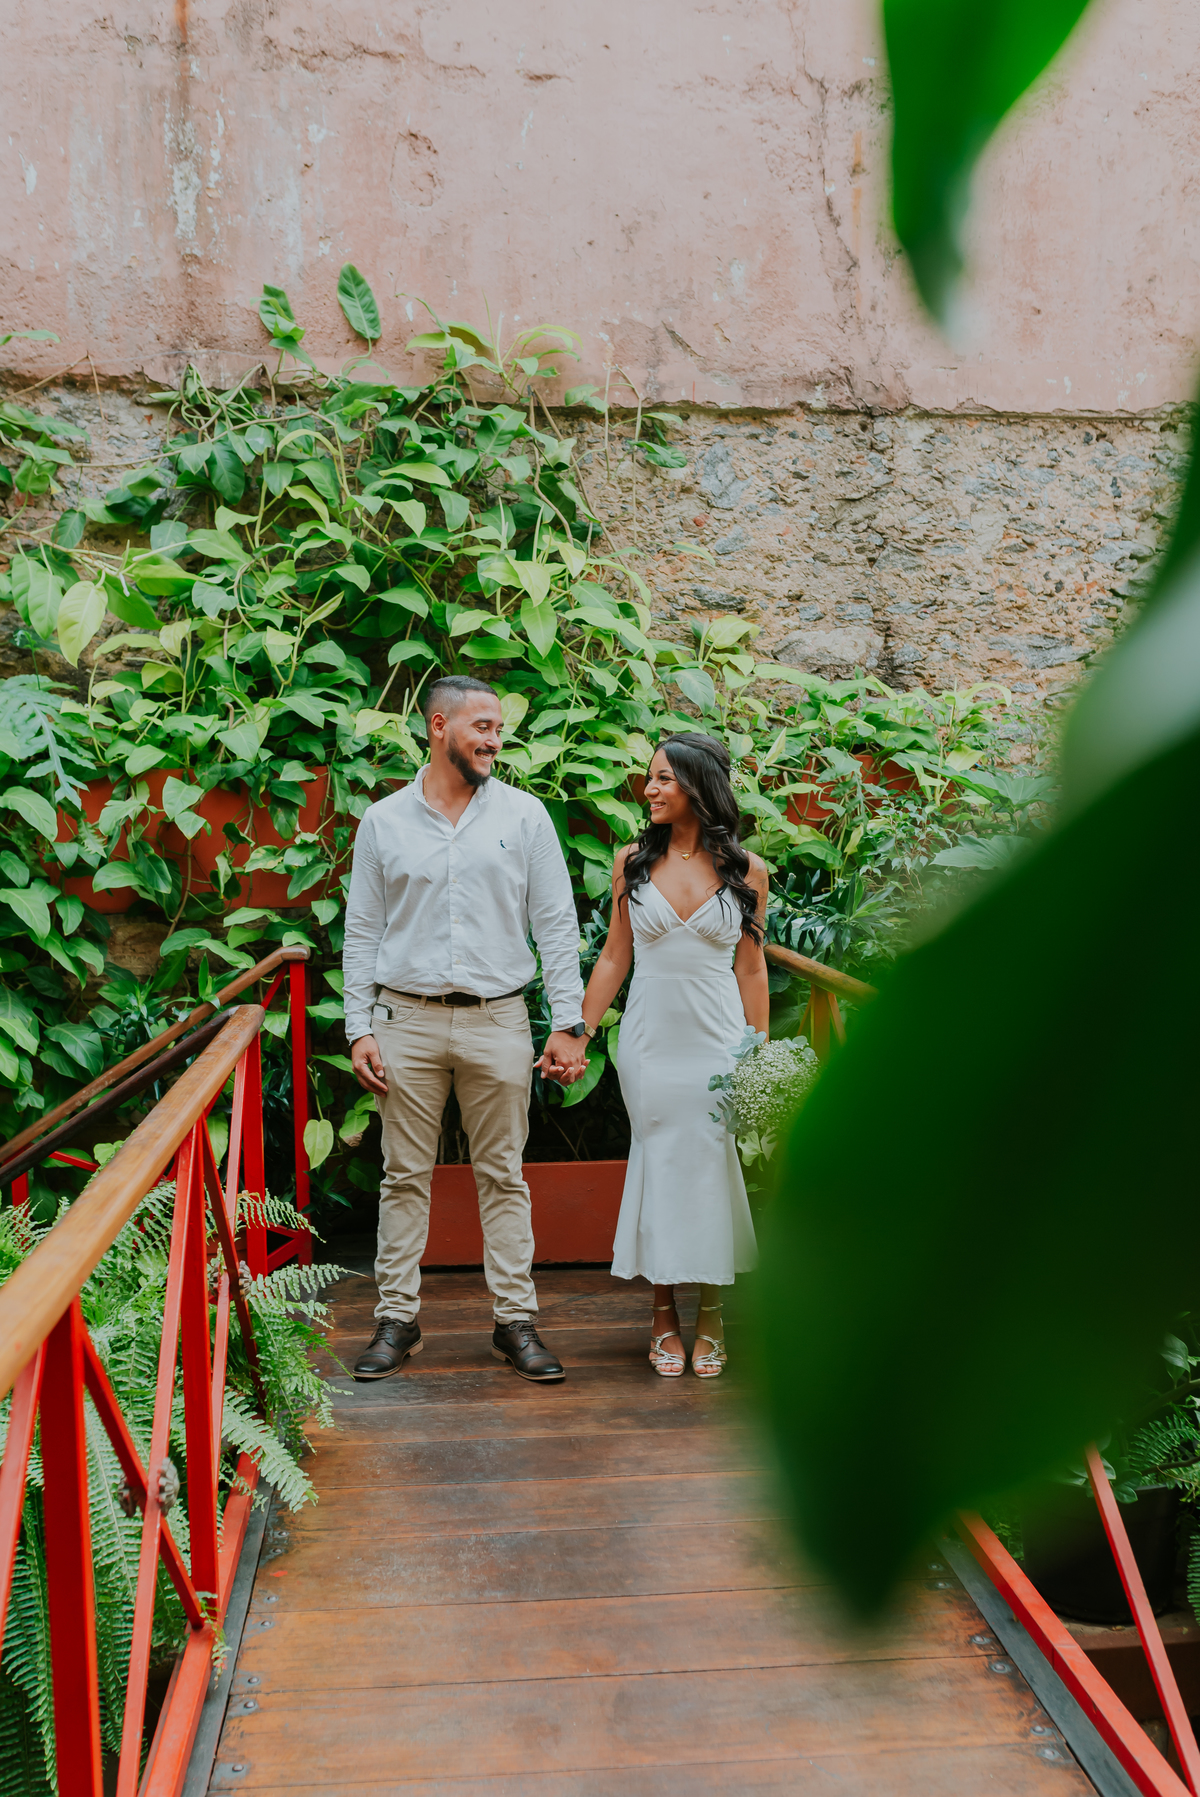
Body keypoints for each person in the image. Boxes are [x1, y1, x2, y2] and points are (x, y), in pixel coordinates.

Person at [343, 674, 592, 1383]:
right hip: (406, 1020)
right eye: (482, 726)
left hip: (499, 1019)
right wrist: (358, 1026)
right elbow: (362, 931)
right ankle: (397, 1320)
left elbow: (555, 924)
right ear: (438, 724)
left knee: (504, 1175)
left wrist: (569, 1022)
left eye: (499, 729)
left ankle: (515, 1320)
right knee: (402, 1177)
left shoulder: (526, 816)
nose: (494, 739)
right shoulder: (383, 822)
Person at [578, 733, 768, 1378]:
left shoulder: (748, 870)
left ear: (697, 786)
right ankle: (661, 1311)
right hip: (651, 1041)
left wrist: (760, 1051)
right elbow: (613, 956)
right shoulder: (632, 861)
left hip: (719, 1039)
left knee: (712, 1166)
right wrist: (578, 1030)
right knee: (658, 1161)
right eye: (650, 779)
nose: (649, 789)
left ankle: (711, 1312)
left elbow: (750, 967)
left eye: (663, 779)